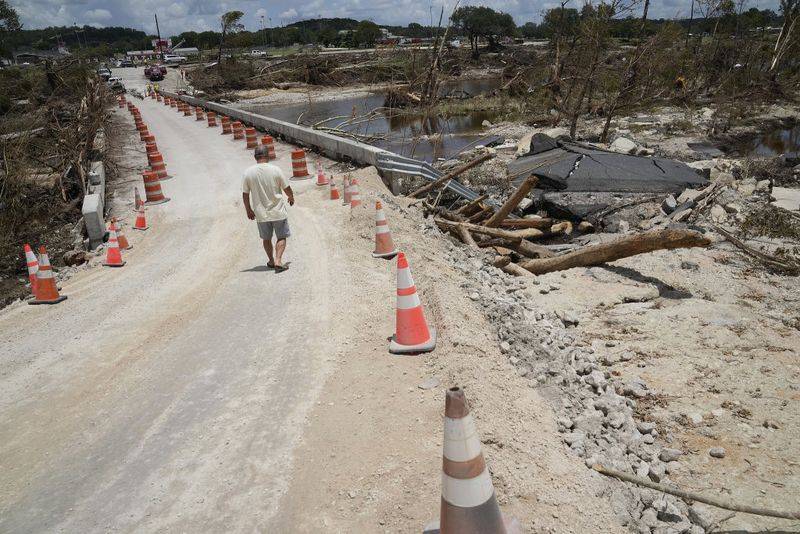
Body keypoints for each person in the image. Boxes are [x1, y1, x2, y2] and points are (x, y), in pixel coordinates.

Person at [242, 145, 294, 272]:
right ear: (268, 156)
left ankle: (271, 260)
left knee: (266, 238)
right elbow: (286, 187)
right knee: (281, 236)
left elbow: (245, 194)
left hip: (261, 214)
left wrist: (248, 210)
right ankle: (278, 260)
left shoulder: (248, 172)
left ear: (255, 157)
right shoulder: (275, 169)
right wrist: (291, 197)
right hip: (278, 212)